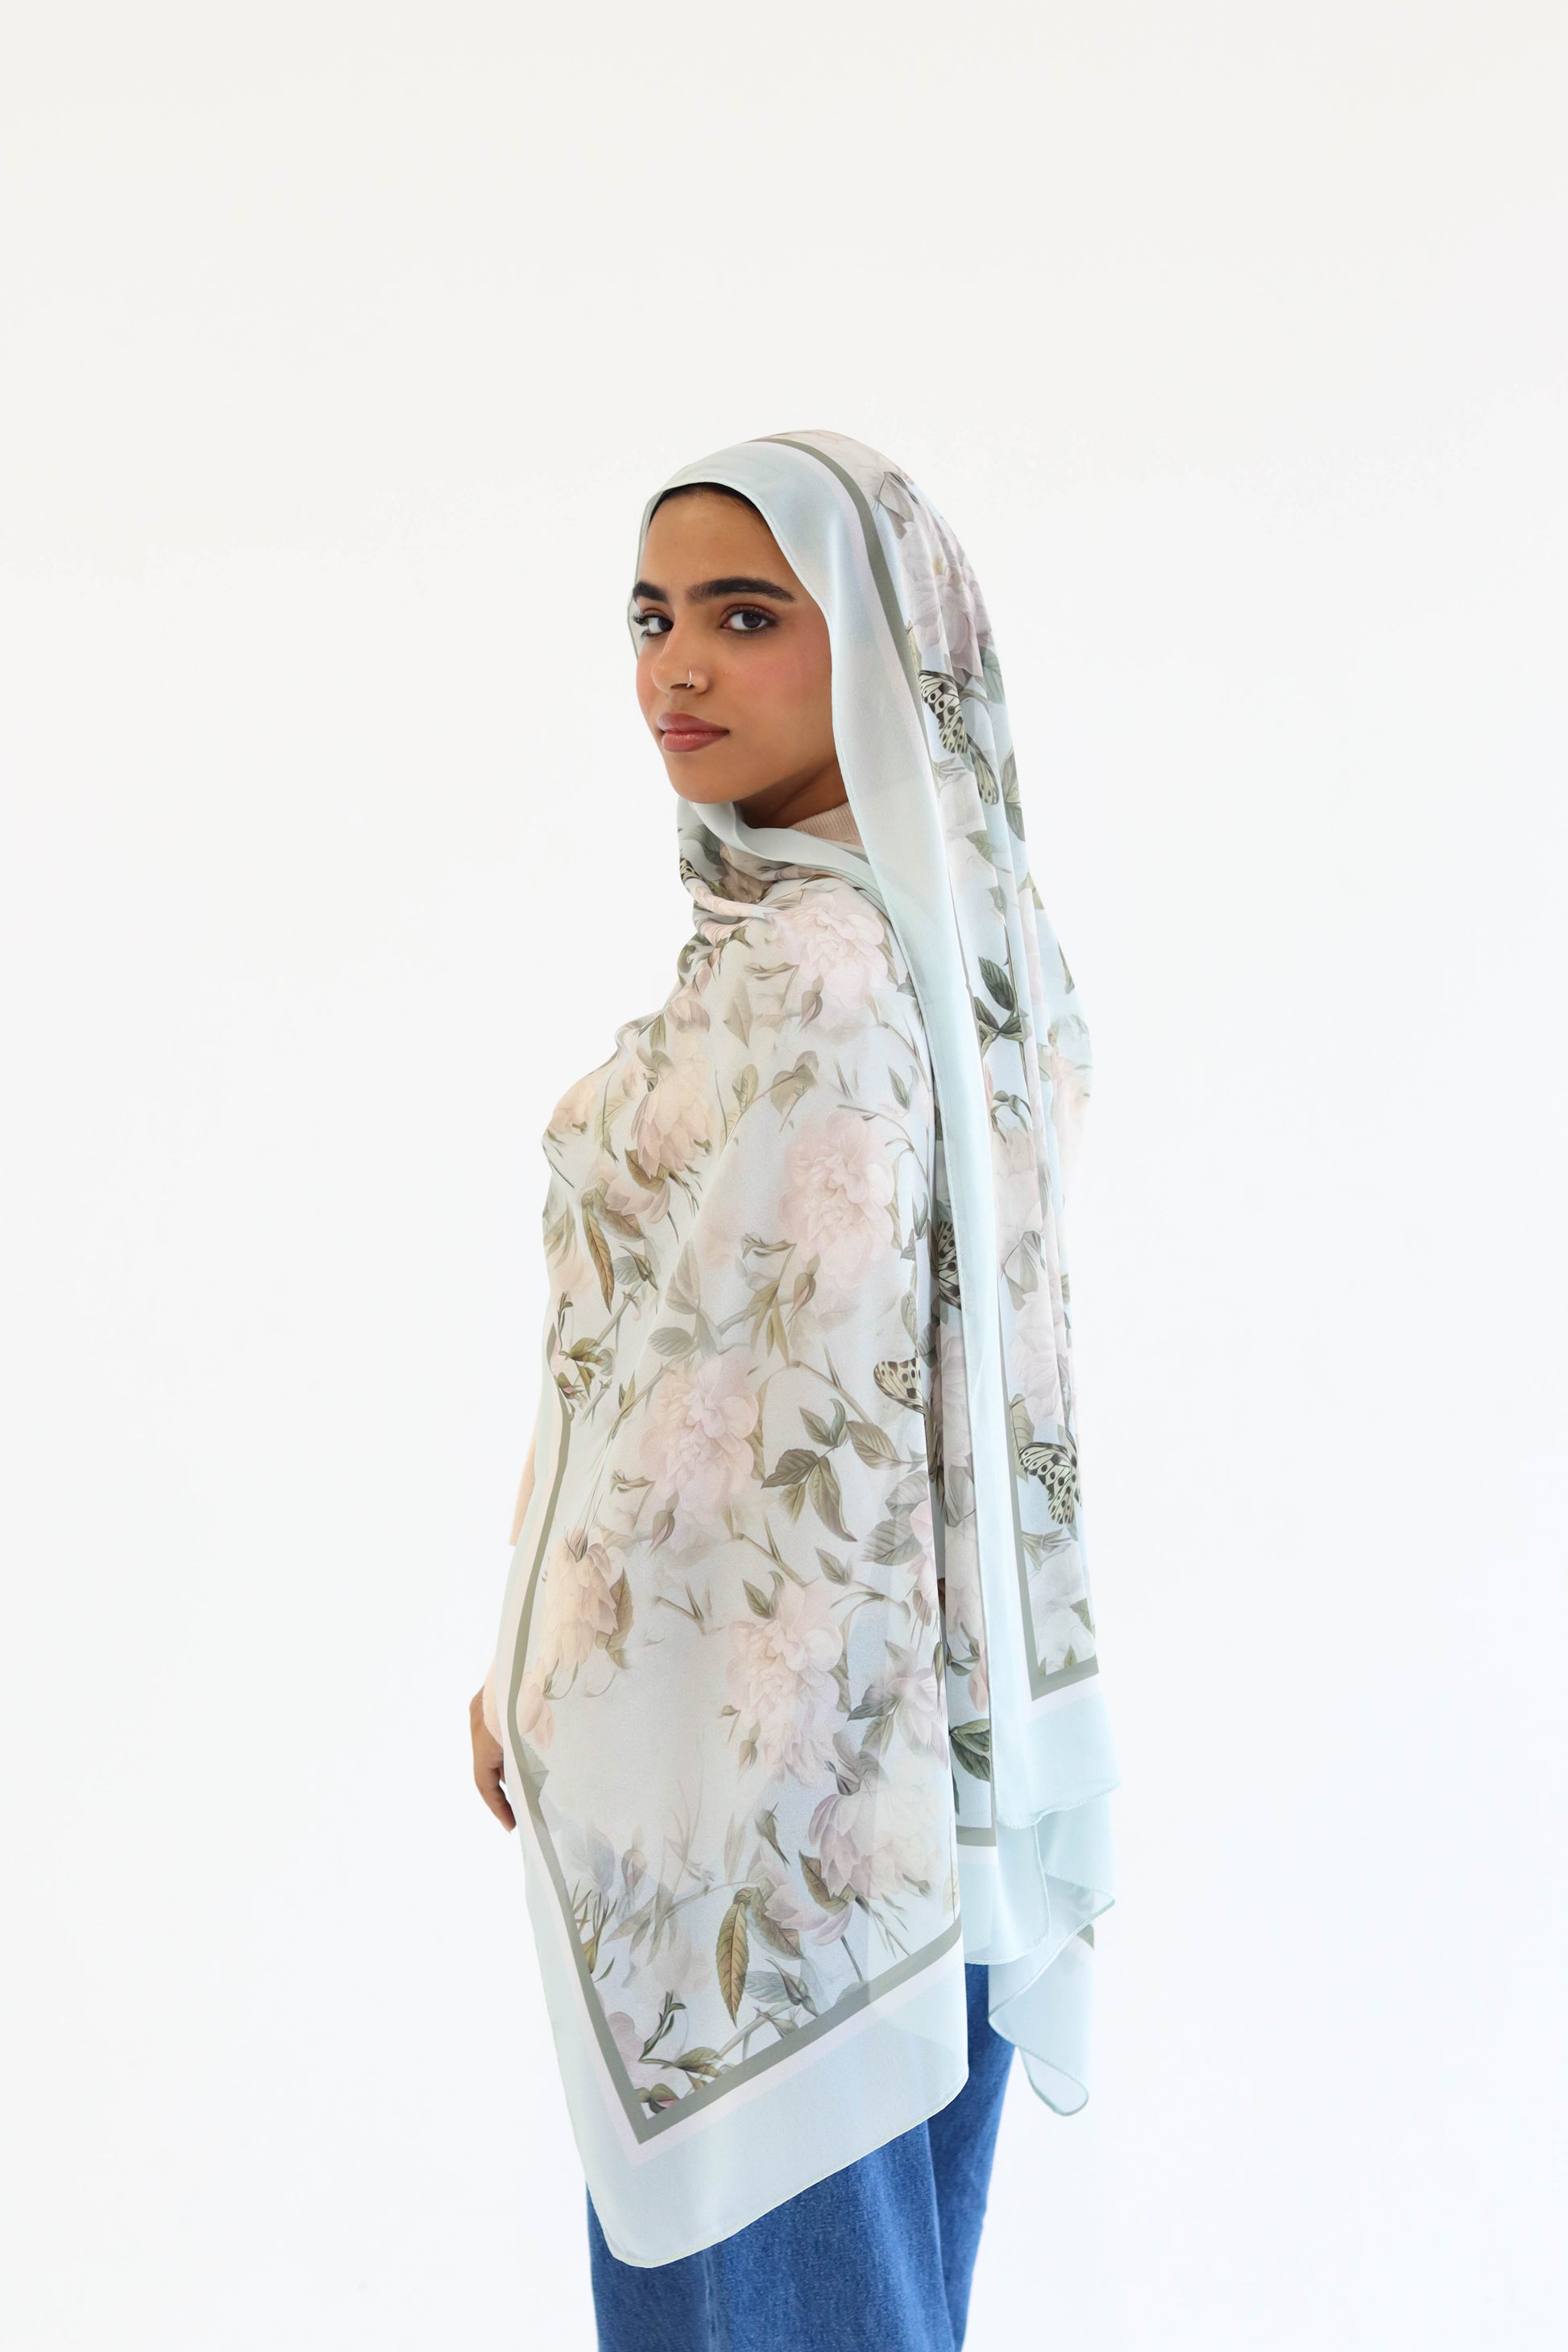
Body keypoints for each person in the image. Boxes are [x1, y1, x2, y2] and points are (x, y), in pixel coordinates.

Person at [469, 432, 1118, 2350]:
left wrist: (543, 1653)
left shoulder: (812, 973)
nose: (676, 666)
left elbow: (730, 1417)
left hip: (778, 1795)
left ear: (888, 649)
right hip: (936, 1771)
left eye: (747, 617)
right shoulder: (971, 946)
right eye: (651, 617)